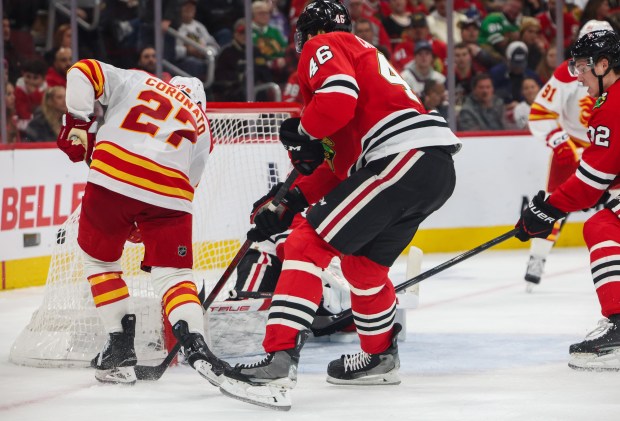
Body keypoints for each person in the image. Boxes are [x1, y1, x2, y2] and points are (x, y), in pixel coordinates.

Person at [218, 0, 460, 410]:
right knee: (361, 268)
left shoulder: (326, 44)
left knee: (305, 244)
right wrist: (293, 198)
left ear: (308, 32)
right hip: (428, 167)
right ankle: (379, 358)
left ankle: (278, 361)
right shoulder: (364, 60)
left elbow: (334, 103)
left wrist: (301, 130)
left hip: (401, 157)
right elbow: (344, 165)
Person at [55, 59, 228, 385]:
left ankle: (119, 346)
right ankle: (195, 342)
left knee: (100, 260)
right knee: (174, 275)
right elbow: (189, 186)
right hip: (169, 193)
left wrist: (78, 120)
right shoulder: (202, 124)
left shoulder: (138, 79)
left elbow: (82, 70)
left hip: (112, 176)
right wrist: (147, 217)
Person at [515, 29, 620, 371]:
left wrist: (543, 211)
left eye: (583, 67)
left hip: (589, 165)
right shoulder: (609, 97)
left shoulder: (611, 105)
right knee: (606, 220)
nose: (578, 76)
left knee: (601, 225)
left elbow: (590, 185)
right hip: (583, 156)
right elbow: (541, 115)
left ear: (604, 65)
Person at [524, 20, 612, 287]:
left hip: (607, 148)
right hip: (574, 145)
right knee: (553, 204)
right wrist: (560, 141)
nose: (583, 66)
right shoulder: (567, 72)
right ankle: (537, 257)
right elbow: (540, 112)